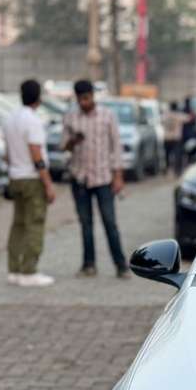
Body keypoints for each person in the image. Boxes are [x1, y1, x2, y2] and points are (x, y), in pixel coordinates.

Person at [62, 79, 129, 277]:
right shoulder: (70, 117)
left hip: (103, 178)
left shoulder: (107, 116)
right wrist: (73, 141)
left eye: (87, 98)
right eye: (80, 99)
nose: (84, 102)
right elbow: (63, 146)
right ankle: (89, 265)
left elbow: (116, 146)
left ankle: (121, 265)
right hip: (79, 178)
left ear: (92, 95)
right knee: (85, 224)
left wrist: (118, 176)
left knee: (110, 222)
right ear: (76, 98)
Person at [2, 78, 56, 287]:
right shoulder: (32, 120)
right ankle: (29, 270)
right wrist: (48, 184)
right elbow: (36, 154)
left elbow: (7, 154)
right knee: (35, 224)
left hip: (15, 177)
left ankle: (14, 269)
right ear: (38, 97)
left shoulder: (10, 119)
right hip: (32, 179)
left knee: (18, 225)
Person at [162, 100, 186, 175]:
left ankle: (166, 169)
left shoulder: (165, 115)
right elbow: (188, 119)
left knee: (166, 155)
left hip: (166, 138)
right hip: (176, 138)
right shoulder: (179, 115)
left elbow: (161, 121)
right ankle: (177, 171)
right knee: (177, 156)